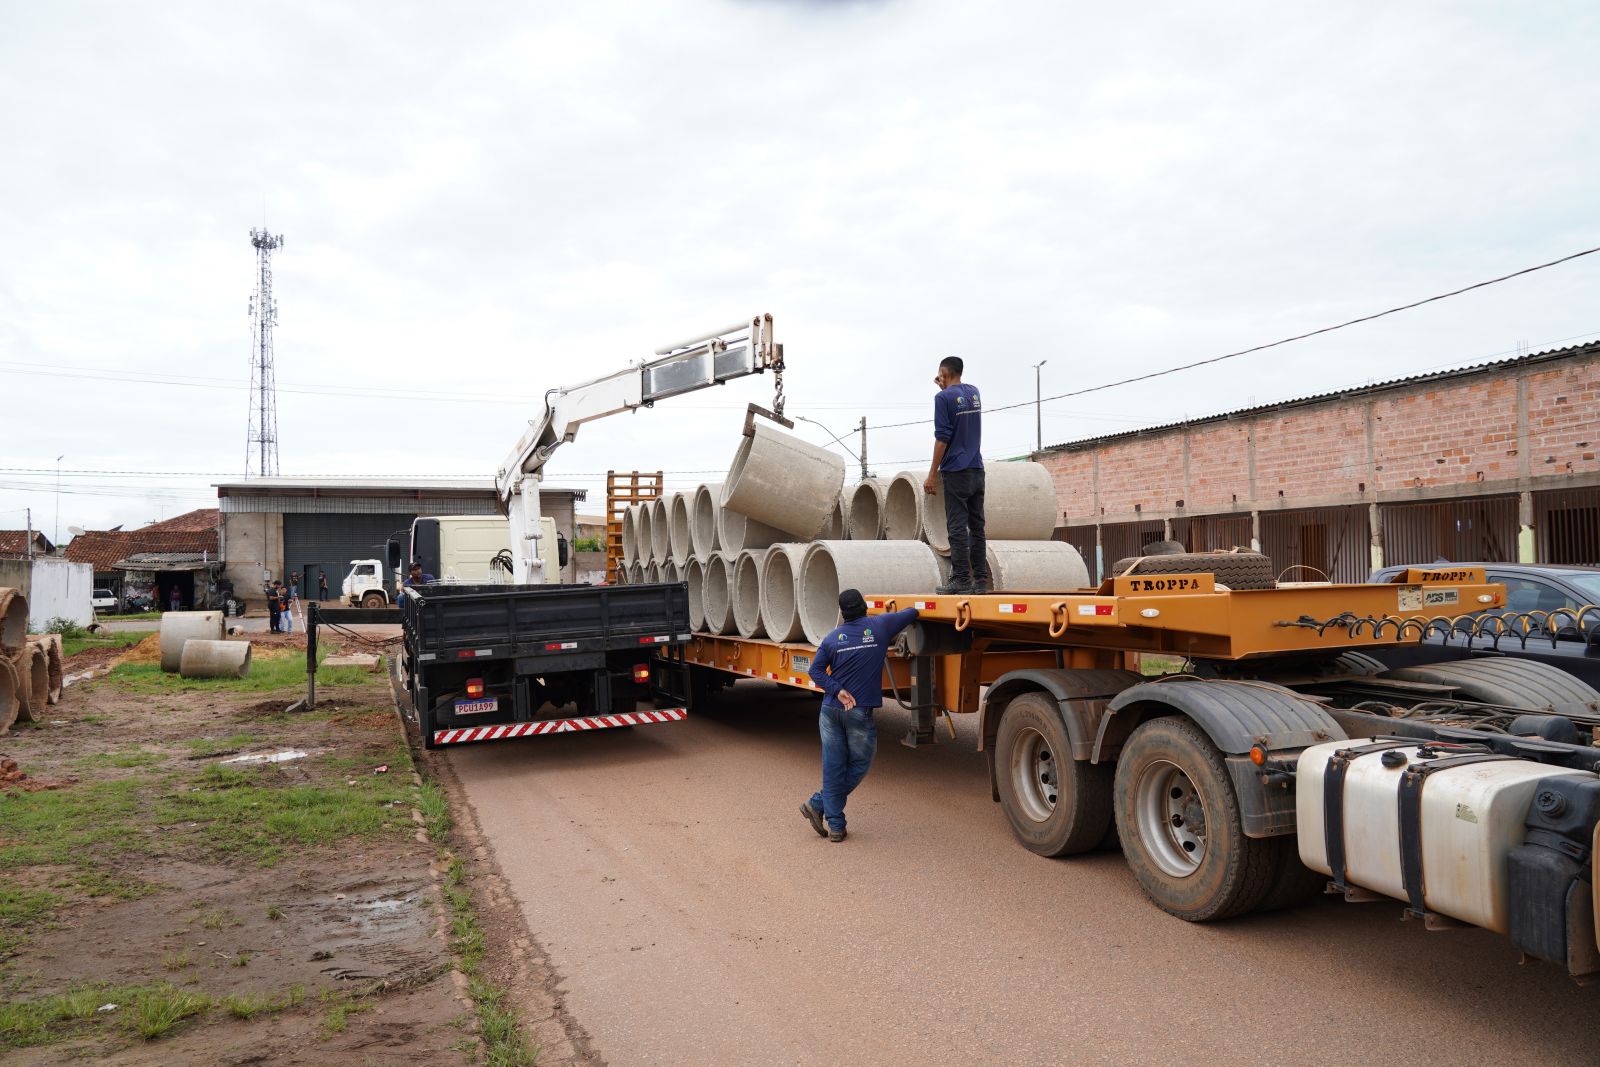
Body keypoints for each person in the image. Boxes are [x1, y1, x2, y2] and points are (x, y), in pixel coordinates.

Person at [800, 590, 920, 842]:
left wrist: (837, 690)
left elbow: (815, 671)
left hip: (831, 710)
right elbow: (912, 612)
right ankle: (818, 803)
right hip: (858, 712)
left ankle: (835, 826)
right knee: (859, 764)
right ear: (865, 607)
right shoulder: (880, 626)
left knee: (833, 768)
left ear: (842, 613)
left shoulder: (832, 639)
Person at [924, 356, 989, 595]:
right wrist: (944, 385)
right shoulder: (974, 392)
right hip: (977, 470)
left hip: (956, 471)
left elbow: (943, 438)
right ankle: (980, 581)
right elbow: (957, 398)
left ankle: (962, 579)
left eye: (939, 374)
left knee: (957, 528)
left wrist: (932, 475)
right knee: (977, 526)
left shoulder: (942, 398)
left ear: (943, 372)